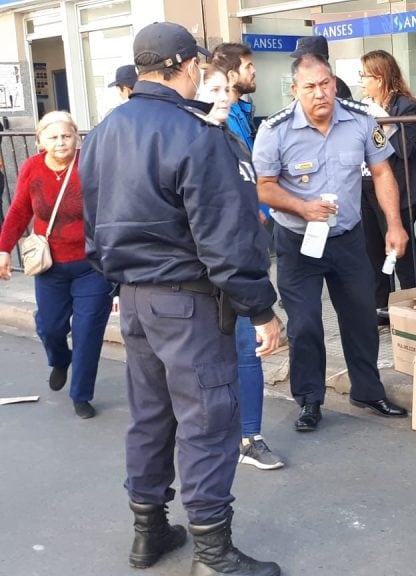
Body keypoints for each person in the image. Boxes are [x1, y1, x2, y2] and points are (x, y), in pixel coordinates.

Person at [79, 22, 281, 576]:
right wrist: (261, 307)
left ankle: (149, 533)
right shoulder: (196, 134)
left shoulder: (102, 133)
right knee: (208, 420)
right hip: (188, 302)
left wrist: (123, 279)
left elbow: (93, 229)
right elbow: (227, 238)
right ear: (187, 64)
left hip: (136, 298)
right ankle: (213, 555)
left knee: (149, 417)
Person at [253, 53, 409, 432]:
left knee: (361, 318)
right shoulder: (275, 130)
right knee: (305, 324)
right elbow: (264, 187)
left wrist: (394, 224)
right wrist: (301, 207)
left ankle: (367, 390)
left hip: (348, 238)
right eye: (309, 87)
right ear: (295, 90)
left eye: (325, 84)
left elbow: (382, 171)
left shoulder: (360, 120)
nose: (320, 93)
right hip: (296, 241)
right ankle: (309, 400)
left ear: (335, 83)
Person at [0, 111, 112, 420]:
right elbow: (20, 210)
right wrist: (3, 249)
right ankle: (60, 358)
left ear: (76, 137)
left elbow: (112, 208)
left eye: (66, 136)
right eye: (53, 137)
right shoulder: (33, 168)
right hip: (50, 266)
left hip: (93, 266)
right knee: (50, 327)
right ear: (40, 142)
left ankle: (81, 394)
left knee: (88, 331)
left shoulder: (90, 164)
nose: (61, 142)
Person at [210, 43, 284, 471]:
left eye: (225, 89)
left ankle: (250, 436)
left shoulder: (235, 131)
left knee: (248, 347)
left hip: (238, 261)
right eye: (213, 89)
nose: (222, 97)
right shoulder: (191, 139)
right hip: (200, 273)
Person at [359, 49, 416, 322]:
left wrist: (384, 126)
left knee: (402, 254)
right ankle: (380, 310)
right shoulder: (363, 105)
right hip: (366, 186)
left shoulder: (405, 106)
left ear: (380, 77)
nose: (361, 81)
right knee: (372, 253)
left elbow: (404, 149)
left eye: (365, 76)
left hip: (397, 189)